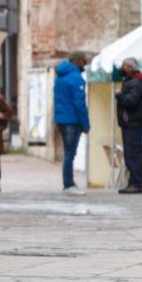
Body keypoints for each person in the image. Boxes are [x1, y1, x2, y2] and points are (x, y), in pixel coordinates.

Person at [53, 50, 90, 195]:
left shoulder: (60, 77)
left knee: (68, 153)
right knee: (70, 153)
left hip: (62, 119)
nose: (85, 63)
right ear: (78, 61)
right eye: (84, 60)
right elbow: (79, 104)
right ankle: (68, 184)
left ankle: (68, 183)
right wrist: (86, 124)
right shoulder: (75, 78)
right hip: (72, 121)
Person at [115, 57, 142, 194]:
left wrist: (119, 95)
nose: (122, 68)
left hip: (133, 122)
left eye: (125, 65)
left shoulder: (136, 82)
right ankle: (133, 183)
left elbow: (131, 101)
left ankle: (136, 183)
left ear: (130, 67)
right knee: (130, 153)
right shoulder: (132, 80)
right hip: (130, 122)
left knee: (133, 153)